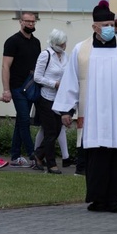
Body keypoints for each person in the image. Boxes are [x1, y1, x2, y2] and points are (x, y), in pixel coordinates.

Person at [53, 0, 117, 212]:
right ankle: (97, 198)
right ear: (94, 27)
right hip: (93, 113)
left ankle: (114, 199)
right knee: (96, 156)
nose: (110, 28)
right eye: (105, 25)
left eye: (112, 24)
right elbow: (71, 80)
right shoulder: (81, 50)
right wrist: (67, 109)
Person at [2, 11, 42, 167]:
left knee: (21, 121)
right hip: (17, 88)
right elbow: (5, 66)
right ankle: (33, 155)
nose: (31, 24)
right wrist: (6, 89)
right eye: (27, 21)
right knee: (25, 120)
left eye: (33, 21)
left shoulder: (36, 42)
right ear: (21, 22)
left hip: (31, 88)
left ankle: (15, 156)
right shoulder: (12, 41)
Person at [32, 29, 68, 174]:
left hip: (60, 99)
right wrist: (54, 83)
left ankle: (39, 154)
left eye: (64, 43)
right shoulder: (45, 55)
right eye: (61, 44)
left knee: (58, 129)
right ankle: (51, 164)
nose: (64, 46)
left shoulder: (65, 56)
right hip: (46, 97)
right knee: (50, 131)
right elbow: (37, 77)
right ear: (54, 43)